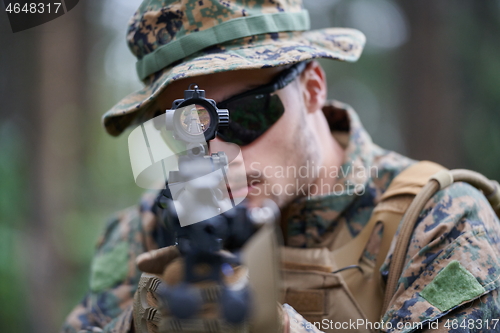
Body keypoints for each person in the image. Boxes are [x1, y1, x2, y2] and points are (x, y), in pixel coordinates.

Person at [61, 0, 500, 332]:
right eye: (182, 129)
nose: (217, 154)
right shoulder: (148, 227)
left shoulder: (440, 222)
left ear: (312, 88)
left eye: (246, 116)